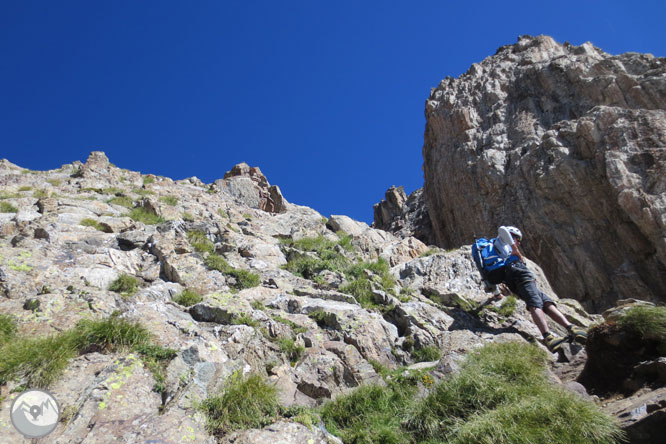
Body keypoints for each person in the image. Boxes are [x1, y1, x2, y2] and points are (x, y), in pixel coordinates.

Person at [493, 226, 587, 353]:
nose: (519, 243)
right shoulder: (501, 242)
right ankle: (548, 336)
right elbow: (502, 229)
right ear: (511, 236)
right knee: (534, 303)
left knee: (546, 302)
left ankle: (572, 328)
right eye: (517, 239)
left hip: (518, 278)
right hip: (520, 274)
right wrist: (516, 250)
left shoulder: (503, 248)